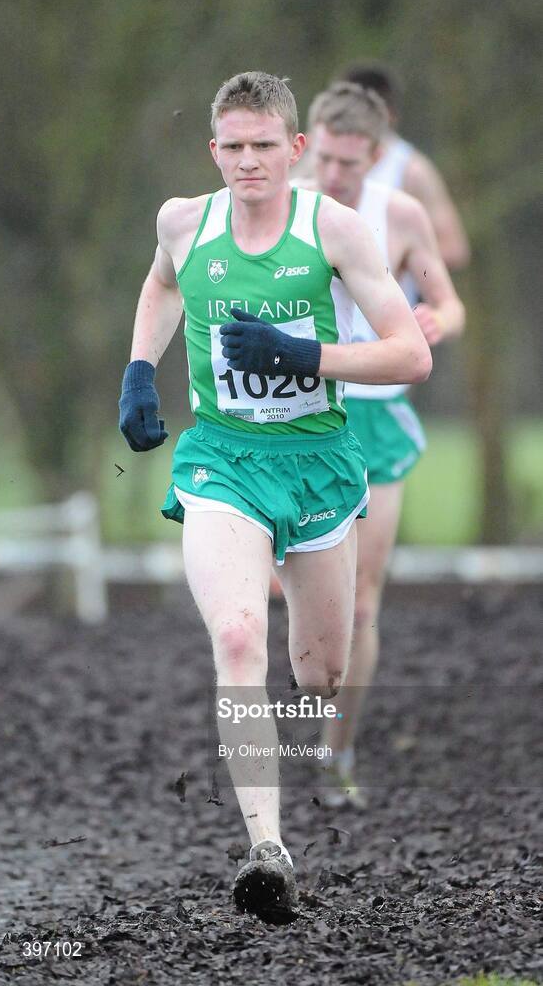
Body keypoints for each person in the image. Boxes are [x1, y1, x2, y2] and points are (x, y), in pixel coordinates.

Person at [118, 71, 432, 920]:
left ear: (294, 150)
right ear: (212, 149)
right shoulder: (184, 221)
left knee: (319, 673)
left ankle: (313, 733)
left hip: (321, 464)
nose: (248, 161)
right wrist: (140, 369)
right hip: (222, 461)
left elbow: (410, 355)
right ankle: (267, 850)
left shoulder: (335, 230)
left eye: (264, 145)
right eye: (233, 146)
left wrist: (305, 359)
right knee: (235, 633)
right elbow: (162, 285)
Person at [294, 82, 465, 807]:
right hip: (295, 417)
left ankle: (337, 753)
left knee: (362, 606)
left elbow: (448, 299)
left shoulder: (398, 213)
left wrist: (437, 321)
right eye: (324, 158)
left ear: (375, 154)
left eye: (349, 164)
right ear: (307, 143)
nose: (334, 176)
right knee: (295, 609)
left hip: (372, 417)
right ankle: (282, 732)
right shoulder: (281, 204)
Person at [341, 62, 470, 272]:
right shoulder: (317, 159)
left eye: (363, 115)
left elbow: (454, 249)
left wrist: (392, 258)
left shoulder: (411, 170)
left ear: (389, 115)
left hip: (394, 301)